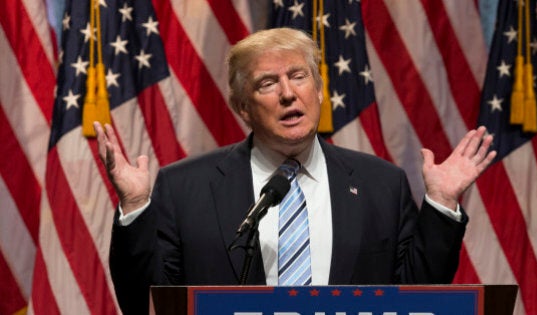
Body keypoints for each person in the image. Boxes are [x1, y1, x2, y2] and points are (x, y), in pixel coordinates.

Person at [95, 27, 495, 314]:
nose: (288, 93)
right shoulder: (185, 187)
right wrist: (134, 207)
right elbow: (145, 303)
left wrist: (441, 203)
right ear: (244, 108)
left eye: (299, 77)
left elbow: (416, 295)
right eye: (268, 83)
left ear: (319, 91)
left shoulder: (380, 184)